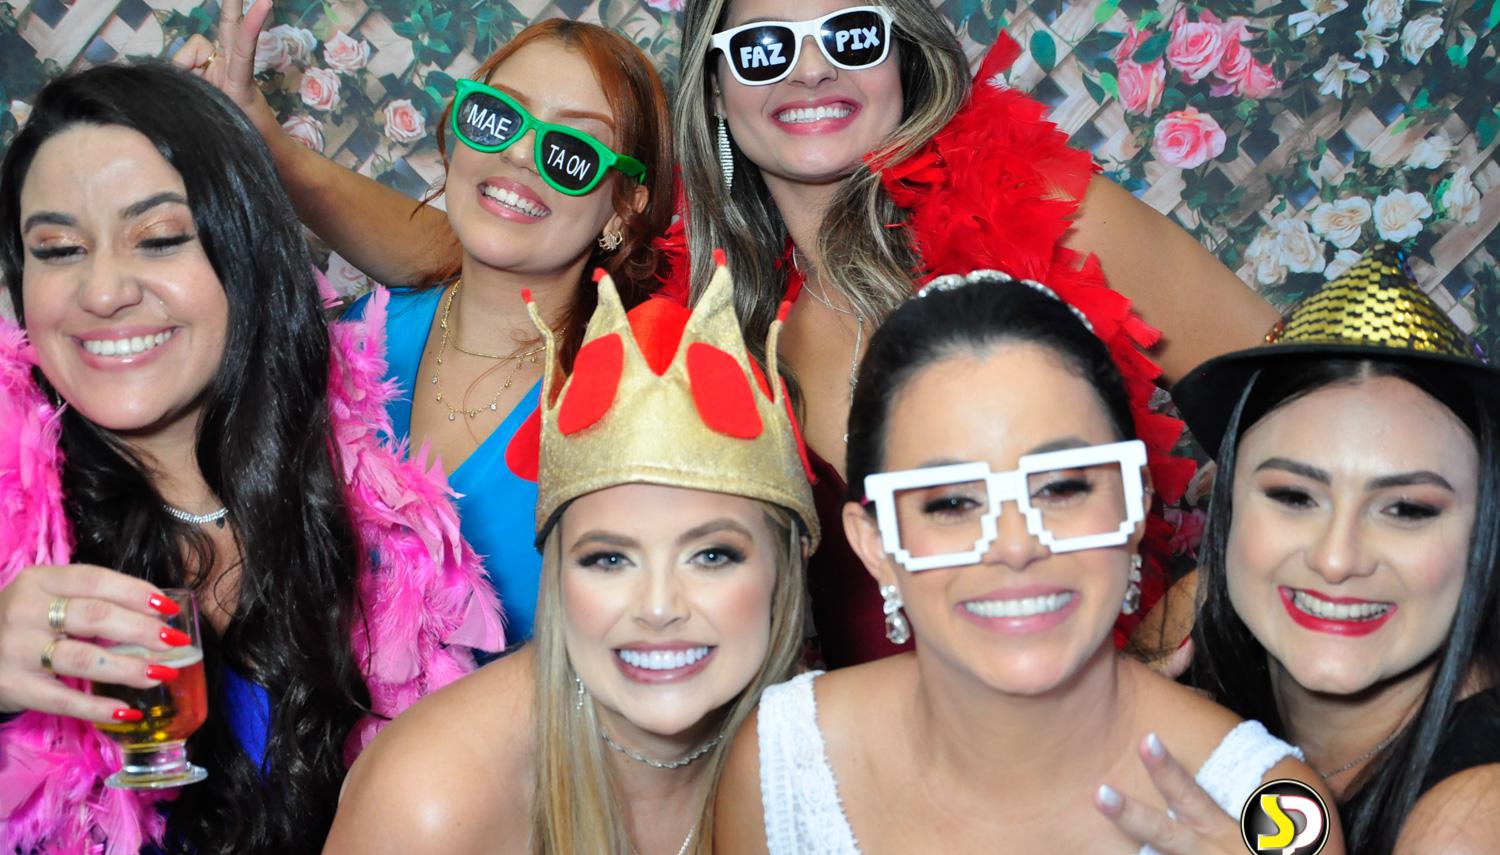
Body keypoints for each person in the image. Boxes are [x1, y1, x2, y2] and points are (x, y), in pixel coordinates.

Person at [188, 1, 1278, 668]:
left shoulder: (1047, 206)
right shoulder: (709, 311)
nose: (808, 72)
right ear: (716, 85)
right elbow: (486, 241)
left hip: (1096, 735)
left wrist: (1185, 616)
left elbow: (1306, 393)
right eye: (762, 49)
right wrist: (275, 158)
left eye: (848, 35)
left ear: (902, 55)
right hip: (877, 783)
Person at [0, 64, 500, 855]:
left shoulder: (363, 518)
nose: (102, 291)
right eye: (58, 250)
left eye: (158, 238)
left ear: (247, 252)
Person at [714, 272, 1354, 855]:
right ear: (876, 546)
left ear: (1135, 501)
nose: (1015, 546)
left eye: (1061, 487)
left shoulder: (1270, 819)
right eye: (951, 503)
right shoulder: (782, 764)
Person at [296, 256, 818, 855]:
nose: (658, 606)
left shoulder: (842, 784)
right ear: (557, 579)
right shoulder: (432, 800)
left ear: (782, 572)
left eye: (711, 555)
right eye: (609, 559)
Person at [177, 7, 675, 646]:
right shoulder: (350, 343)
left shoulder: (640, 408)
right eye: (497, 118)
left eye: (570, 152)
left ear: (623, 208)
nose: (519, 155)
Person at [1171, 244, 1500, 855]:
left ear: (1482, 534)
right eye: (1294, 497)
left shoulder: (1470, 841)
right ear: (1229, 509)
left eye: (1406, 509)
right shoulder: (1194, 640)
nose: (1336, 558)